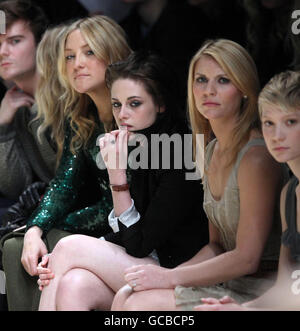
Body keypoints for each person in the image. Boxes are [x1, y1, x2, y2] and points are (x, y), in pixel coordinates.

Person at [111, 39, 287, 311]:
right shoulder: (210, 149)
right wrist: (169, 279)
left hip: (262, 287)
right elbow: (216, 245)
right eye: (201, 80)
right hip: (227, 279)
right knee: (127, 297)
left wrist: (170, 277)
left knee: (137, 305)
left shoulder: (256, 155)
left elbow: (247, 258)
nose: (209, 91)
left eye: (223, 81)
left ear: (243, 89)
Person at [36, 51, 208, 311]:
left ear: (160, 104)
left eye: (134, 103)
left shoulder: (182, 153)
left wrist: (117, 175)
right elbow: (125, 234)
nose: (122, 114)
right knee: (74, 284)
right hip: (147, 261)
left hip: (179, 271)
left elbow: (138, 244)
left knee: (67, 247)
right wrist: (63, 260)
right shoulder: (139, 141)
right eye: (117, 104)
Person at [2, 15, 132, 311]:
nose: (77, 64)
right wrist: (35, 228)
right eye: (70, 56)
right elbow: (63, 184)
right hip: (101, 227)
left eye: (89, 52)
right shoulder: (82, 118)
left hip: (135, 234)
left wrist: (53, 226)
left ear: (112, 53)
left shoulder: (134, 115)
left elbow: (127, 200)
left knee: (57, 242)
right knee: (16, 244)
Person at [195, 70, 300, 311]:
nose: (276, 136)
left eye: (290, 122)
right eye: (269, 124)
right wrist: (243, 309)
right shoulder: (290, 195)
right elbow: (287, 286)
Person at [0, 0, 55, 220]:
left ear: (40, 45)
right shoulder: (15, 103)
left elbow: (70, 177)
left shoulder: (66, 94)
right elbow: (15, 188)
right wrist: (2, 128)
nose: (3, 51)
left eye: (15, 41)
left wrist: (37, 113)